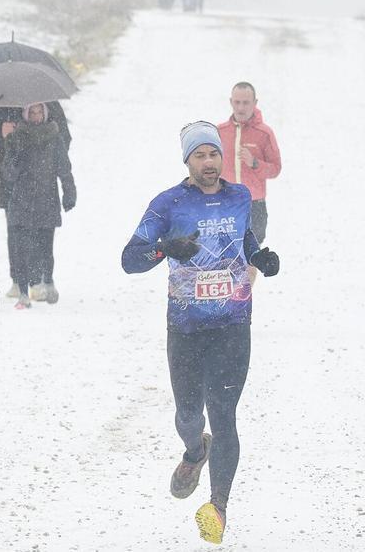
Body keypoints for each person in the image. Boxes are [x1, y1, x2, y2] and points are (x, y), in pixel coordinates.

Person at [120, 121, 280, 545]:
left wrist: (261, 257)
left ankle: (218, 508)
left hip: (233, 325)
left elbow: (244, 240)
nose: (208, 163)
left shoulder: (239, 196)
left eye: (213, 154)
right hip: (187, 327)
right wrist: (164, 249)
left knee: (224, 414)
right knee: (190, 415)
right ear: (187, 160)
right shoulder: (168, 204)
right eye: (199, 156)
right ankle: (195, 450)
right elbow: (129, 259)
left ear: (220, 157)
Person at [0, 100, 74, 302]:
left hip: (44, 185)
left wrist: (43, 149)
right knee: (16, 234)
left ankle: (40, 279)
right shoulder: (5, 105)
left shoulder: (52, 104)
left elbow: (65, 139)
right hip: (12, 184)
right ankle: (18, 280)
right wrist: (4, 137)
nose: (35, 114)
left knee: (42, 235)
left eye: (39, 112)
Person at [216, 82, 281, 284]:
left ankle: (243, 298)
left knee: (250, 256)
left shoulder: (264, 133)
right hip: (224, 203)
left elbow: (275, 168)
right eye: (237, 102)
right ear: (230, 102)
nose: (241, 107)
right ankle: (222, 297)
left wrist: (254, 163)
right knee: (222, 253)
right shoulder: (219, 131)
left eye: (246, 102)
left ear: (255, 103)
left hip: (254, 204)